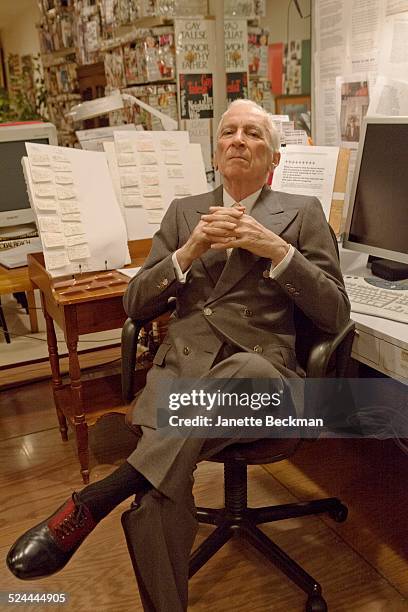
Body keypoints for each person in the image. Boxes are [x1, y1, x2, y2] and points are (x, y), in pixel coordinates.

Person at [7, 99, 350, 611]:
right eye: (229, 131)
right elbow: (136, 302)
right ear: (217, 149)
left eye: (253, 133)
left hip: (263, 382)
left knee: (250, 369)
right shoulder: (184, 212)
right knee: (158, 497)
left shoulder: (301, 213)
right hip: (182, 380)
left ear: (273, 158)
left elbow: (336, 314)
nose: (238, 139)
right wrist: (186, 253)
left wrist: (279, 252)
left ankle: (97, 499)